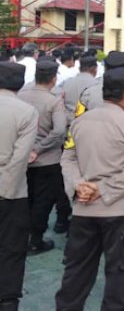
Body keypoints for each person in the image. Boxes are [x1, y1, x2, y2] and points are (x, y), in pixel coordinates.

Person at [55, 67, 124, 310]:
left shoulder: (80, 121)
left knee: (76, 272)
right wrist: (103, 189)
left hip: (83, 210)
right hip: (119, 210)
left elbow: (67, 159)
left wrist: (79, 186)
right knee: (120, 274)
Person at [18, 60, 67, 255]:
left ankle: (21, 238)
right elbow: (60, 131)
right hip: (47, 161)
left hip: (22, 158)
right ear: (53, 79)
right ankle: (36, 239)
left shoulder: (20, 96)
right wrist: (39, 148)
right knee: (43, 201)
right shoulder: (53, 101)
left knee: (25, 199)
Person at [0, 62, 38, 311]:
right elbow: (20, 157)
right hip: (11, 191)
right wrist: (6, 192)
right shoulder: (26, 111)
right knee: (12, 247)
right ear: (21, 83)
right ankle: (8, 299)